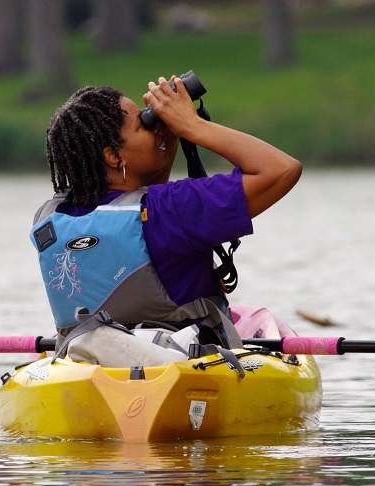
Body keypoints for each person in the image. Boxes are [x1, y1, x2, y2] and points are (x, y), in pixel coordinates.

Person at [31, 75, 302, 353]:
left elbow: (135, 211)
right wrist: (192, 125)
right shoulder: (173, 209)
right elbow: (282, 169)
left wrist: (167, 139)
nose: (156, 128)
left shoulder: (50, 218)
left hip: (87, 366)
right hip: (184, 366)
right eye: (143, 125)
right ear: (113, 156)